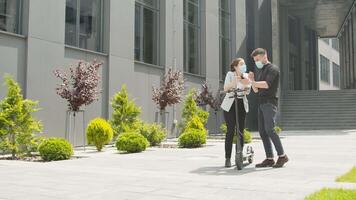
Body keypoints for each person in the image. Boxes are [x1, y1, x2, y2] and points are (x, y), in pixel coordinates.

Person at [249, 48, 289, 168]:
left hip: (269, 103)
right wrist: (252, 81)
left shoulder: (273, 69)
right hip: (261, 103)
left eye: (257, 59)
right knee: (262, 132)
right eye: (255, 60)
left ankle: (282, 156)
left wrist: (254, 81)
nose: (256, 62)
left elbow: (266, 85)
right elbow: (256, 90)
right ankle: (269, 158)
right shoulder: (262, 71)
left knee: (270, 129)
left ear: (264, 56)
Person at [221, 58, 251, 167]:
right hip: (230, 103)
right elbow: (225, 88)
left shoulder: (246, 75)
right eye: (241, 64)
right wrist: (235, 80)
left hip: (241, 104)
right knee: (230, 131)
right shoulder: (230, 74)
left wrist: (244, 81)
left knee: (240, 131)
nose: (244, 66)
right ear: (235, 66)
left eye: (244, 64)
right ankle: (227, 158)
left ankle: (239, 155)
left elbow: (248, 90)